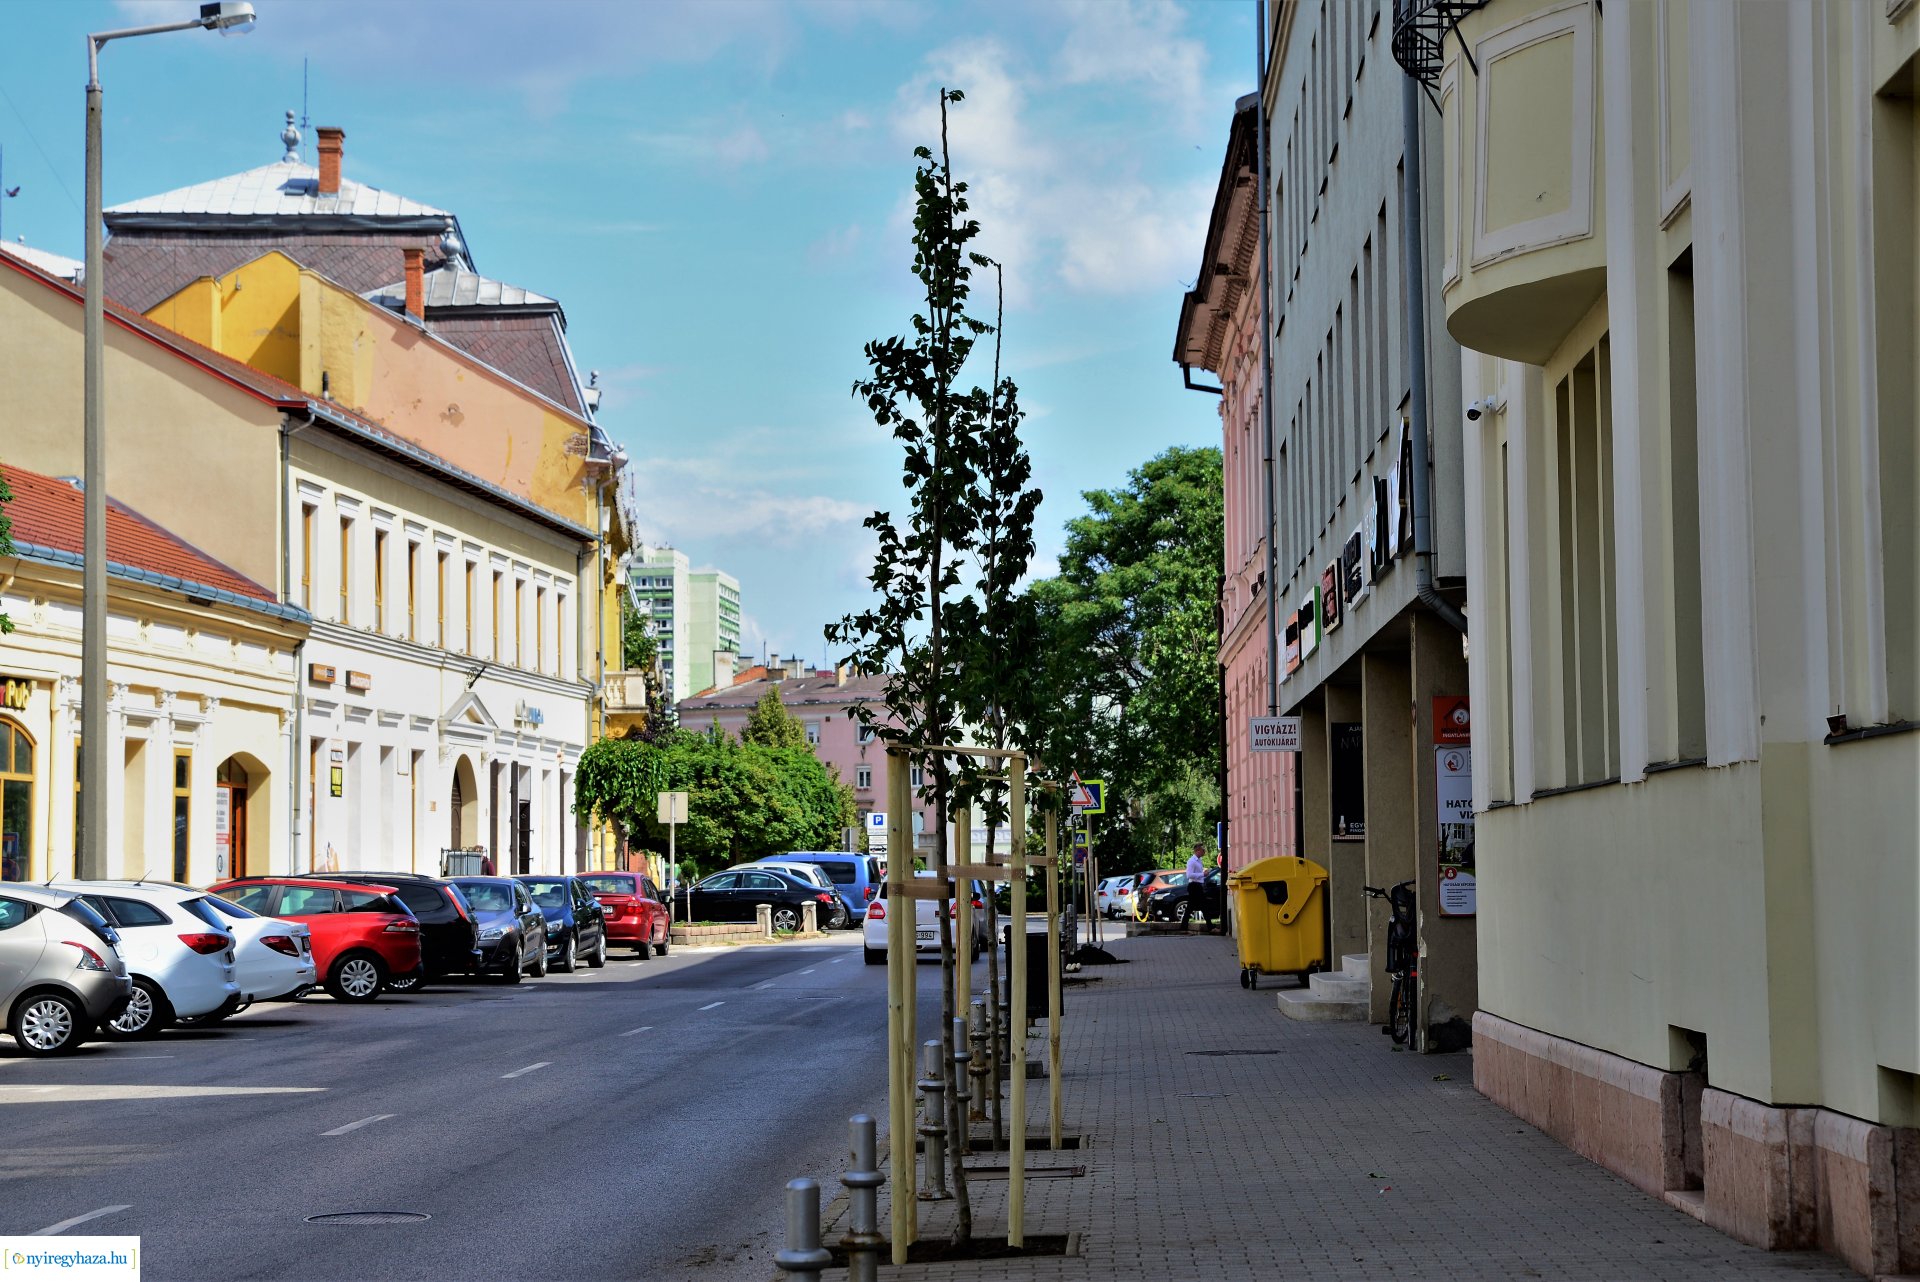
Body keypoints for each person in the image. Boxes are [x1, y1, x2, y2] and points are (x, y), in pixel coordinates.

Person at [1186, 844, 1210, 928]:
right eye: (1203, 850)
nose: (1204, 852)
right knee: (1203, 906)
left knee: (1191, 907)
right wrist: (1202, 874)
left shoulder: (1199, 860)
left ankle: (1183, 926)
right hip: (1194, 886)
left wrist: (1203, 874)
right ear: (1198, 851)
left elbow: (1198, 873)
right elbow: (1189, 875)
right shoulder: (1192, 861)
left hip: (1198, 885)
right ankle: (1210, 927)